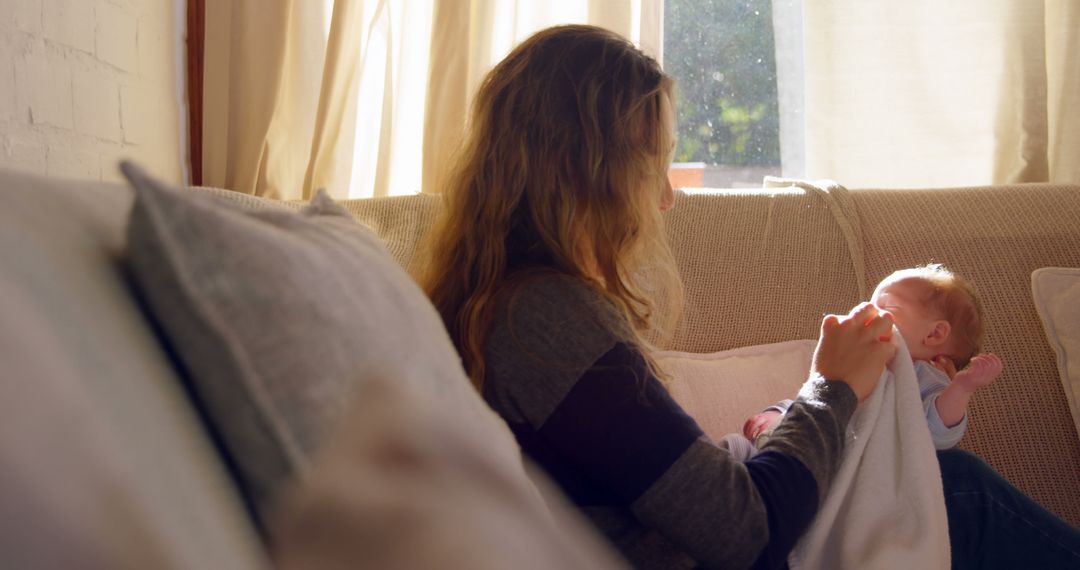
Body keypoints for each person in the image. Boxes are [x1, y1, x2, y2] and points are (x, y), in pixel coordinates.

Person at [416, 24, 1080, 570]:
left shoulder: (505, 307)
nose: (667, 197)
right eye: (653, 166)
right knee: (951, 490)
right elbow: (744, 531)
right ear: (587, 172)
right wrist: (832, 386)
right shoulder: (546, 320)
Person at [731, 264, 1002, 458]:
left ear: (934, 334)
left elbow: (935, 433)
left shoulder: (926, 376)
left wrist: (961, 389)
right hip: (821, 440)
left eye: (886, 308)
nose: (866, 311)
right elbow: (818, 396)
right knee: (736, 447)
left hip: (860, 462)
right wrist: (777, 412)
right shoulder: (863, 358)